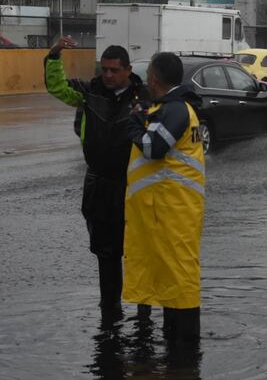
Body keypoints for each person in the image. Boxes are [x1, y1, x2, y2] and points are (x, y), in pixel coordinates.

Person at [44, 36, 148, 316]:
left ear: (128, 70)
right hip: (99, 185)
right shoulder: (90, 91)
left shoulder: (144, 97)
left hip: (135, 187)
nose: (108, 75)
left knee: (139, 252)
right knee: (106, 252)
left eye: (114, 70)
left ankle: (144, 314)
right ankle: (110, 309)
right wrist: (54, 55)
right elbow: (57, 87)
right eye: (105, 69)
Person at [124, 52, 205, 342]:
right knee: (173, 276)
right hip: (168, 210)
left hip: (172, 211)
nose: (146, 80)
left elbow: (154, 148)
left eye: (149, 74)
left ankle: (184, 349)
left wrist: (134, 125)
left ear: (155, 78)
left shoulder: (177, 110)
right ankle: (177, 344)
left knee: (179, 277)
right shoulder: (171, 108)